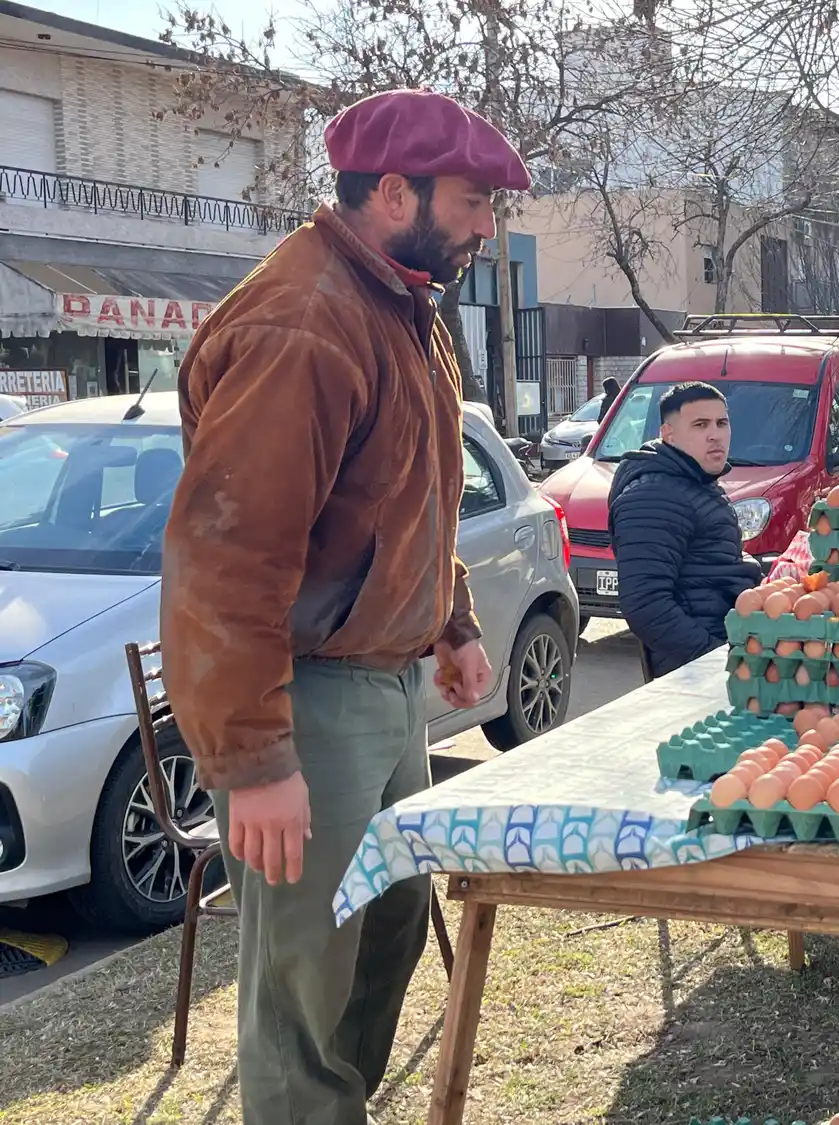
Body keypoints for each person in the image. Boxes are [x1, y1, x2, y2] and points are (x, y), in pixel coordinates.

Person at [160, 89, 529, 1124]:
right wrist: (255, 759)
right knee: (304, 989)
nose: (485, 226)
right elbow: (228, 560)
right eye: (472, 200)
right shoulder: (305, 320)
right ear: (395, 190)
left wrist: (449, 621)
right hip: (305, 703)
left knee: (385, 935)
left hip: (383, 688)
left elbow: (412, 494)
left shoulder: (401, 304)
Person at [609, 381, 761, 677]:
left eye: (721, 423)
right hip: (694, 672)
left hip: (725, 647)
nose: (714, 435)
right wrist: (713, 660)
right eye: (700, 425)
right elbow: (645, 605)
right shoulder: (653, 496)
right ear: (669, 434)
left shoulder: (694, 481)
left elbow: (711, 565)